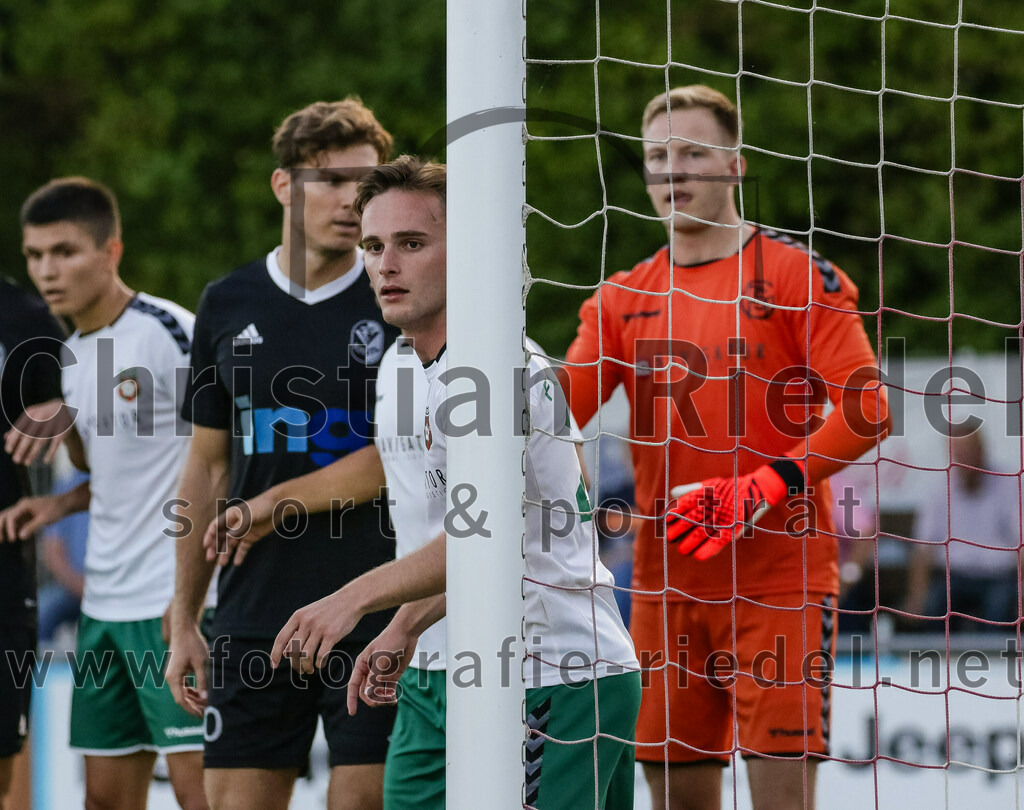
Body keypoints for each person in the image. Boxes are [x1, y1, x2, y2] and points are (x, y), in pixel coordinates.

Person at [259, 155, 640, 810]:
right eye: (375, 245)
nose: (386, 264)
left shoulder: (501, 369)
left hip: (551, 673)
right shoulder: (399, 365)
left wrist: (353, 599)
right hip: (436, 676)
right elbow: (455, 543)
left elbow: (486, 538)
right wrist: (407, 628)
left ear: (470, 249)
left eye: (411, 243)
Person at [560, 85, 891, 810]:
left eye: (692, 153)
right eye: (656, 157)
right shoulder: (621, 296)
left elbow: (869, 409)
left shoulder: (798, 276)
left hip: (781, 584)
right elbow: (555, 416)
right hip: (663, 587)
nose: (672, 171)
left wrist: (763, 487)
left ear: (736, 166)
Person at [165, 99, 400, 810]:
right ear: (283, 186)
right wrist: (185, 617)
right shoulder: (227, 301)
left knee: (361, 802)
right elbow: (207, 466)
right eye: (330, 180)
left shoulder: (397, 297)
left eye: (365, 184)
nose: (350, 201)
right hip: (252, 609)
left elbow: (398, 456)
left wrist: (273, 503)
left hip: (374, 605)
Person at [0, 177, 209, 810]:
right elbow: (119, 474)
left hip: (171, 606)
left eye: (64, 252)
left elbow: (226, 460)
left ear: (111, 250)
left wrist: (195, 596)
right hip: (103, 610)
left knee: (207, 799)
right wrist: (59, 503)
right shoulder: (63, 359)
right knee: (106, 803)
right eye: (35, 256)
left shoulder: (169, 332)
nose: (46, 271)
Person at [0, 276, 64, 810]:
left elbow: (86, 402)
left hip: (4, 566)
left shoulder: (26, 318)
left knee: (5, 754)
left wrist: (64, 409)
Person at [906, 423, 1021, 632]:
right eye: (960, 453)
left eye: (970, 451)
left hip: (999, 578)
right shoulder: (940, 490)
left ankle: (996, 664)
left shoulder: (1008, 485)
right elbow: (923, 549)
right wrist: (917, 596)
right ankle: (935, 662)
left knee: (1000, 609)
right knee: (934, 606)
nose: (965, 459)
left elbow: (1021, 544)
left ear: (982, 450)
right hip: (954, 577)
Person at [37, 467, 89, 645]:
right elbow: (52, 551)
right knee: (41, 611)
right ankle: (30, 669)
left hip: (117, 589)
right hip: (72, 588)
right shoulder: (67, 485)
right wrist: (80, 586)